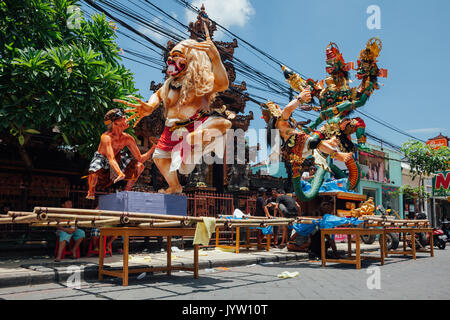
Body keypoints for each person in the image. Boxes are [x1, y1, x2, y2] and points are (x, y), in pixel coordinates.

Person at [86, 108, 157, 199]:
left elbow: (140, 159)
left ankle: (126, 191)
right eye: (123, 118)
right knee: (94, 170)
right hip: (103, 159)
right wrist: (120, 173)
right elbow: (110, 158)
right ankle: (91, 191)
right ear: (115, 123)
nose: (126, 119)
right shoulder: (106, 137)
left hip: (117, 159)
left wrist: (152, 148)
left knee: (140, 166)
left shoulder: (128, 138)